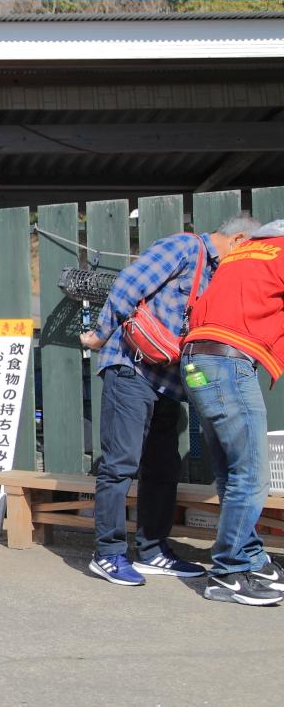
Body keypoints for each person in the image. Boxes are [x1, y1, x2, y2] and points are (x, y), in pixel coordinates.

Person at [80, 214, 258, 587]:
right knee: (121, 464)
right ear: (239, 239)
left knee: (163, 469)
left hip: (169, 382)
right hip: (131, 366)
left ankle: (152, 550)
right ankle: (108, 553)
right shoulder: (184, 246)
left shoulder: (217, 273)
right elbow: (130, 283)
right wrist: (100, 333)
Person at [181, 219, 284, 606]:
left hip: (197, 360)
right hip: (228, 362)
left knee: (232, 471)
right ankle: (228, 571)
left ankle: (250, 558)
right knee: (252, 473)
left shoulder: (246, 253)